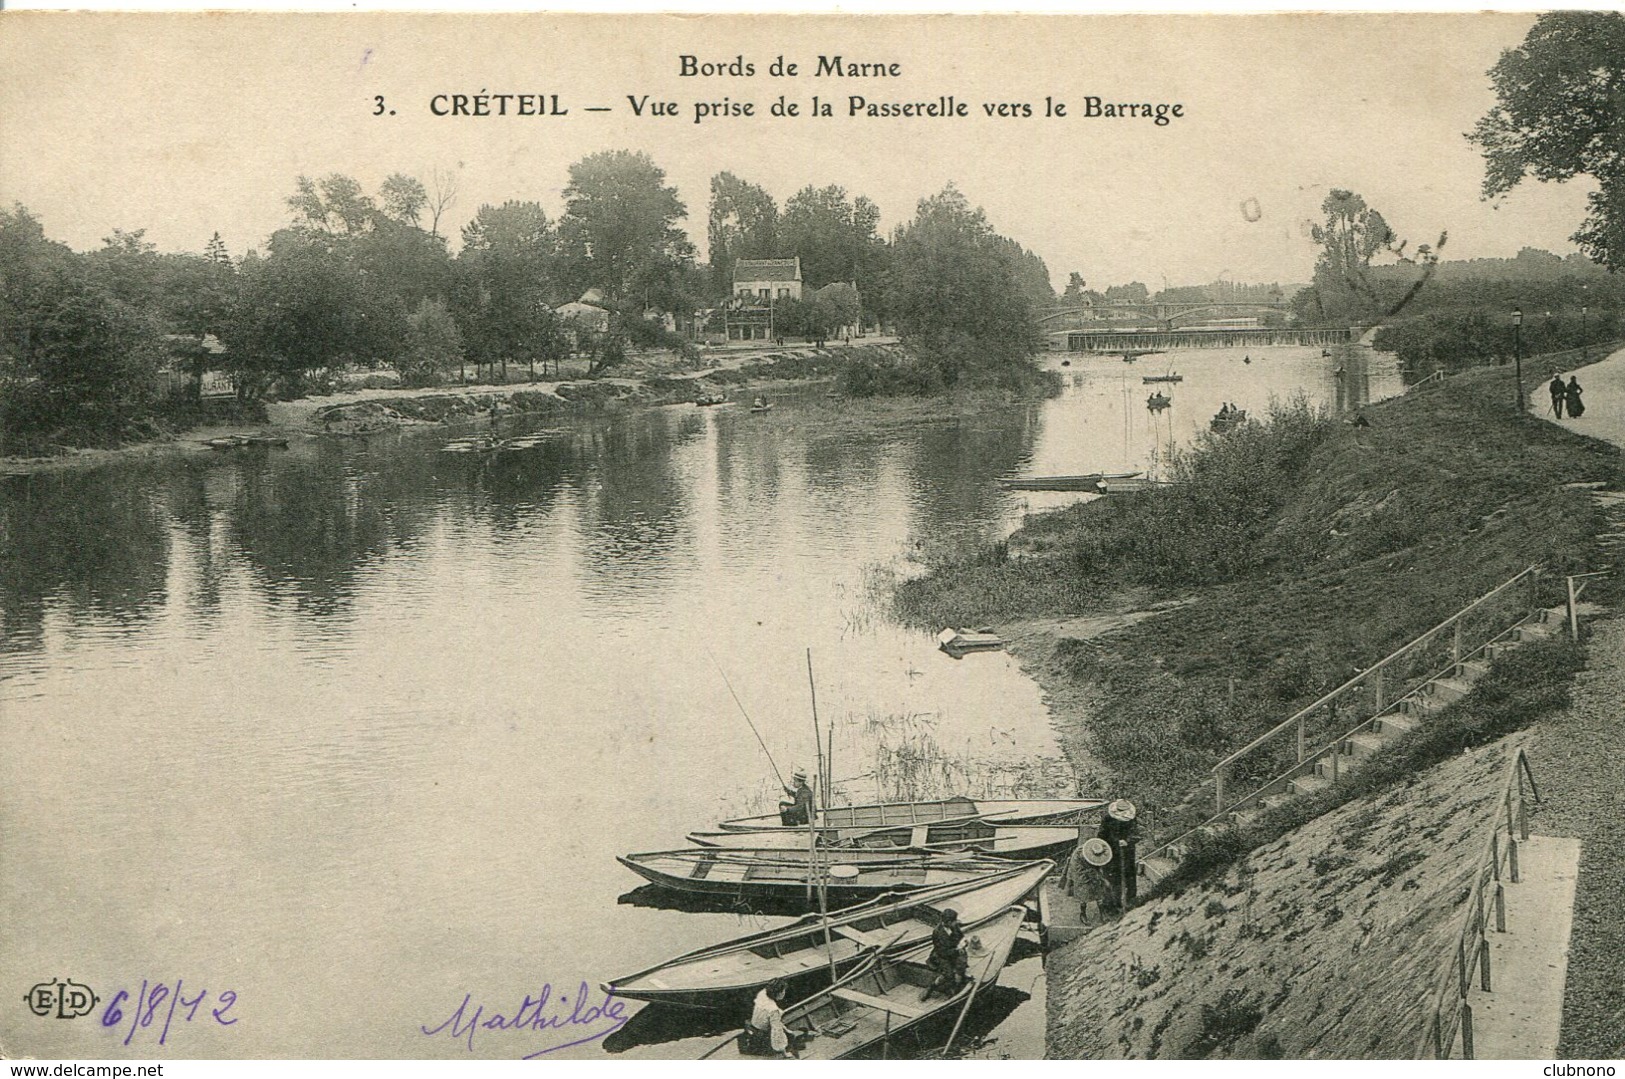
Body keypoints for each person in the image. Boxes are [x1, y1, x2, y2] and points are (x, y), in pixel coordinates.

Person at [921, 907, 968, 1001]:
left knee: (961, 967)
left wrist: (963, 942)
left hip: (956, 951)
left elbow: (961, 936)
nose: (956, 923)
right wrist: (957, 950)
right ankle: (931, 987)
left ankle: (955, 990)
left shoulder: (954, 926)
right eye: (954, 921)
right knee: (948, 974)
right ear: (948, 922)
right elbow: (942, 951)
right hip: (942, 955)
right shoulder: (937, 932)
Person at [740, 980, 793, 1057]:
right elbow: (777, 1032)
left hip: (754, 1023)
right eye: (783, 991)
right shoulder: (773, 1010)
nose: (784, 993)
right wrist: (784, 1052)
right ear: (778, 993)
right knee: (790, 1036)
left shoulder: (763, 993)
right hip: (762, 1031)